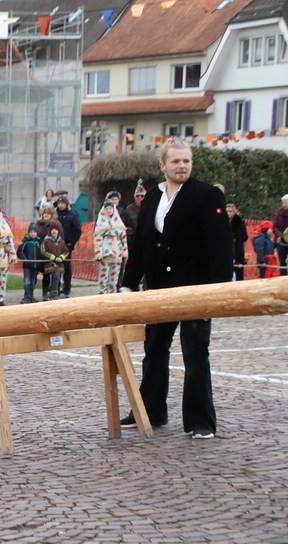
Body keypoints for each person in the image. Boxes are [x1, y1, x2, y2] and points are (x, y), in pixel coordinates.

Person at [120, 141, 233, 439]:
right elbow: (141, 245)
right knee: (154, 350)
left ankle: (200, 421)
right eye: (176, 162)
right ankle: (150, 410)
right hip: (158, 289)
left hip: (197, 290)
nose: (182, 166)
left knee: (195, 353)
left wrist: (219, 289)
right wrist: (129, 283)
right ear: (163, 165)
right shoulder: (154, 196)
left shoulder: (207, 195)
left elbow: (222, 246)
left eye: (187, 161)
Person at [93, 200, 128, 294]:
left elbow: (124, 238)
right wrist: (98, 252)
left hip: (117, 250)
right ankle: (102, 292)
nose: (108, 210)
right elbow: (97, 238)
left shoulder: (118, 222)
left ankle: (112, 292)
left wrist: (125, 252)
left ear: (114, 209)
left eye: (110, 208)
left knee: (114, 275)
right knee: (103, 275)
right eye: (106, 209)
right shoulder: (101, 222)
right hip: (105, 251)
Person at [54, 195, 82, 298]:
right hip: (55, 245)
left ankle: (67, 289)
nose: (61, 205)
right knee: (56, 267)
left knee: (67, 267)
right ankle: (55, 288)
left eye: (63, 203)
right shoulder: (55, 214)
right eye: (59, 203)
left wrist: (71, 242)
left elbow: (77, 230)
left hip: (67, 245)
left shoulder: (72, 215)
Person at [40, 222, 68, 299]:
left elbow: (66, 251)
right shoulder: (46, 240)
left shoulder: (61, 241)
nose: (54, 231)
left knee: (57, 276)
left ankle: (55, 291)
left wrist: (61, 257)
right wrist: (53, 258)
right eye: (52, 229)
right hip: (48, 263)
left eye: (55, 229)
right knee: (48, 277)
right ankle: (47, 292)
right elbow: (43, 251)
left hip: (59, 263)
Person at [16, 223, 42, 304]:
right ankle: (26, 296)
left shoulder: (39, 242)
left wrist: (40, 260)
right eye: (31, 232)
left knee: (33, 281)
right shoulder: (25, 241)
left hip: (36, 265)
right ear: (28, 233)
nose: (32, 234)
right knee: (27, 281)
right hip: (27, 265)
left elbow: (42, 252)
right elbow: (20, 251)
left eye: (34, 232)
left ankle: (31, 296)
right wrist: (24, 259)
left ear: (37, 233)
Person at [226, 203, 247, 280]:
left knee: (238, 273)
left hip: (237, 250)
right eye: (227, 211)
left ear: (234, 212)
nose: (228, 213)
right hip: (227, 250)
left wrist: (236, 239)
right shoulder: (223, 222)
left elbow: (245, 236)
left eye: (230, 211)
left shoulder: (239, 222)